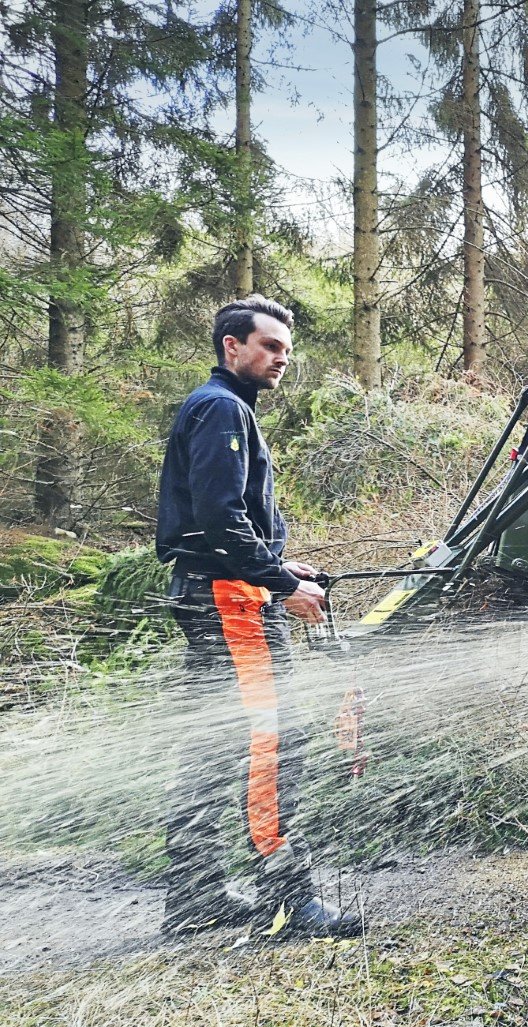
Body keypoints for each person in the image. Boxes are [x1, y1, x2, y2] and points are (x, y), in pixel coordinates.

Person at [155, 296, 361, 938]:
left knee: (213, 746)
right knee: (273, 746)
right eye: (269, 346)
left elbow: (223, 524)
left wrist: (283, 567)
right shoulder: (221, 408)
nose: (280, 359)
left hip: (220, 593)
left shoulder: (223, 408)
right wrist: (278, 585)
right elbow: (220, 524)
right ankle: (291, 899)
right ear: (232, 347)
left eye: (286, 351)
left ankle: (194, 899)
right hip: (232, 603)